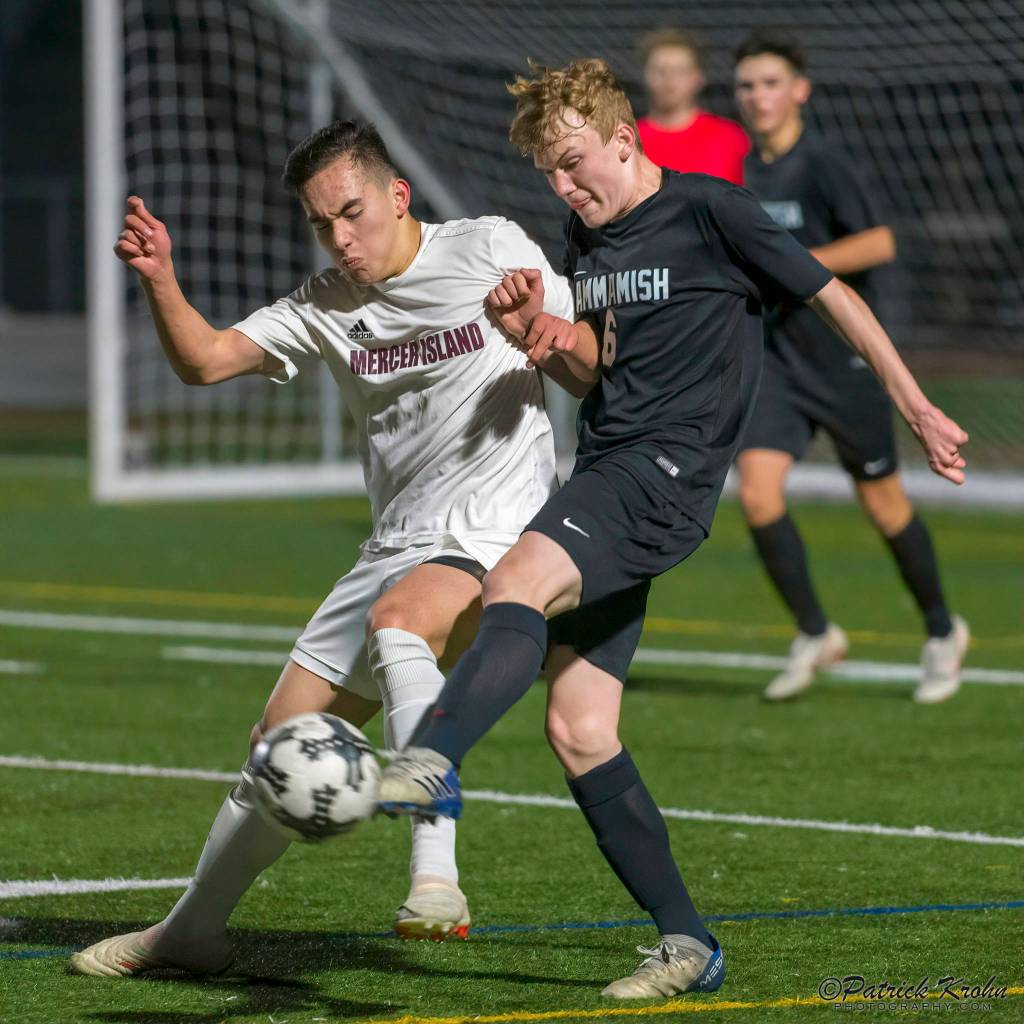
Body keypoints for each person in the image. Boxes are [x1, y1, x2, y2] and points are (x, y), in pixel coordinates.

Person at [377, 58, 968, 1000]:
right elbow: (597, 367)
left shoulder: (713, 211)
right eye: (551, 176)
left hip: (660, 475)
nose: (567, 188)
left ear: (625, 139)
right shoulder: (586, 235)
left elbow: (837, 299)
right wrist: (547, 332)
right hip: (612, 469)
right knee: (579, 727)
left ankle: (430, 760)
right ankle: (688, 943)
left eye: (576, 163)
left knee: (515, 583)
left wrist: (918, 408)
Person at [69, 119, 588, 978]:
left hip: (497, 529)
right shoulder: (325, 304)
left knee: (400, 623)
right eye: (322, 224)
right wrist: (161, 278)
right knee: (276, 747)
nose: (342, 239)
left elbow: (587, 360)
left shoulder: (490, 247)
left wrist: (540, 326)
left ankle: (436, 875)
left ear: (397, 195)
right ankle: (190, 935)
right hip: (396, 540)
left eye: (353, 213)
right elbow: (203, 361)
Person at [732, 34, 969, 704]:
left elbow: (881, 241)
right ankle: (815, 632)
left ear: (800, 90)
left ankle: (942, 629)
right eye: (747, 85)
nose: (759, 97)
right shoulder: (744, 170)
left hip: (841, 361)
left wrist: (798, 265)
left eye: (772, 83)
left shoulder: (824, 163)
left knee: (882, 503)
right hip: (778, 361)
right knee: (756, 494)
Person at [636, 28, 749, 183]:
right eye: (661, 71)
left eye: (680, 71)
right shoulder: (629, 140)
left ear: (699, 77)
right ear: (645, 75)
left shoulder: (730, 138)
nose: (670, 80)